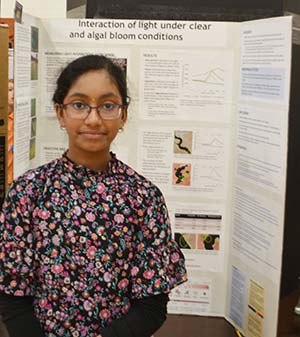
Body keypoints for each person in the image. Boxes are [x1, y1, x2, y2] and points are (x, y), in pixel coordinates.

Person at [0, 54, 187, 337]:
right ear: (60, 112)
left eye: (108, 106)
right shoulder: (28, 192)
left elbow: (152, 306)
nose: (93, 118)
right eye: (79, 105)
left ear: (123, 115)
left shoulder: (143, 197)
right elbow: (13, 298)